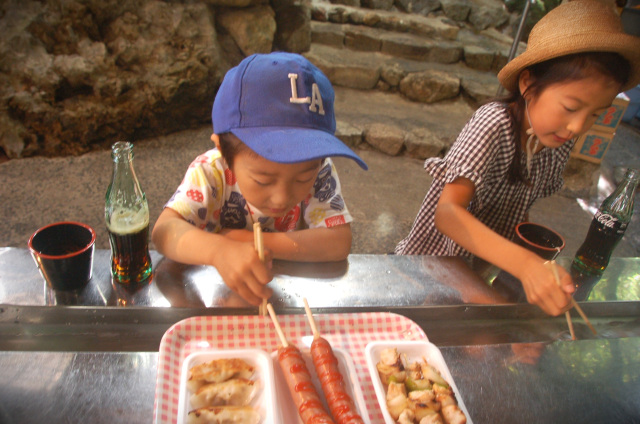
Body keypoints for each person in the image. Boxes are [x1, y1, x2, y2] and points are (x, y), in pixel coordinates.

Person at [395, 0, 640, 316]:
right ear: (528, 83)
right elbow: (448, 214)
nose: (578, 126)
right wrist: (525, 264)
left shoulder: (558, 141)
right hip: (424, 270)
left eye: (594, 114)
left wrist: (534, 265)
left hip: (475, 276)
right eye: (570, 107)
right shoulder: (493, 123)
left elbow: (517, 207)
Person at [152, 52, 368, 306]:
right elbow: (164, 232)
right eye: (263, 180)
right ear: (224, 150)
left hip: (286, 301)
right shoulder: (212, 173)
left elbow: (338, 242)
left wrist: (250, 242)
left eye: (302, 179)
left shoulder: (319, 169)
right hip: (220, 300)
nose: (281, 197)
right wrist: (218, 250)